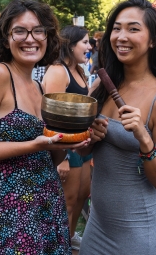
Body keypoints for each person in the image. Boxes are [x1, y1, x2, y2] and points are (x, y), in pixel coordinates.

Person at [0, 0, 89, 254]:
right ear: (6, 38)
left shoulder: (38, 87)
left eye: (38, 31)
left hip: (45, 203)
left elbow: (47, 155)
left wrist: (68, 145)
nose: (31, 38)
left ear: (47, 37)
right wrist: (30, 145)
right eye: (20, 31)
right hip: (11, 208)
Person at [78, 0, 156, 254]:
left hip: (140, 232)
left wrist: (144, 140)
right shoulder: (101, 87)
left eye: (133, 29)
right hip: (98, 225)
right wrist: (90, 138)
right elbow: (82, 151)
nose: (121, 36)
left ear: (153, 40)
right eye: (117, 28)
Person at [41, 25, 93, 250]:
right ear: (71, 45)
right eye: (85, 42)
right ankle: (60, 245)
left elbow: (84, 105)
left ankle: (69, 237)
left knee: (82, 195)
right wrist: (60, 157)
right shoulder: (57, 70)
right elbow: (50, 118)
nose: (90, 47)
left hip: (81, 144)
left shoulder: (80, 71)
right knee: (68, 202)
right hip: (65, 147)